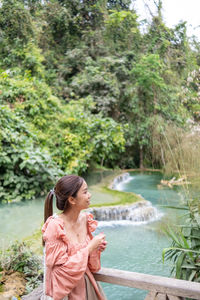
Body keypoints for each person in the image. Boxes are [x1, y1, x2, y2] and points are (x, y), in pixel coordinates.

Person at [41, 175, 107, 300]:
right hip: (66, 294)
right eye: (85, 192)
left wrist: (95, 248)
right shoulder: (55, 227)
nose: (90, 195)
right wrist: (89, 248)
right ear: (72, 199)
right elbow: (58, 274)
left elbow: (90, 265)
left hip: (88, 286)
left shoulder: (85, 219)